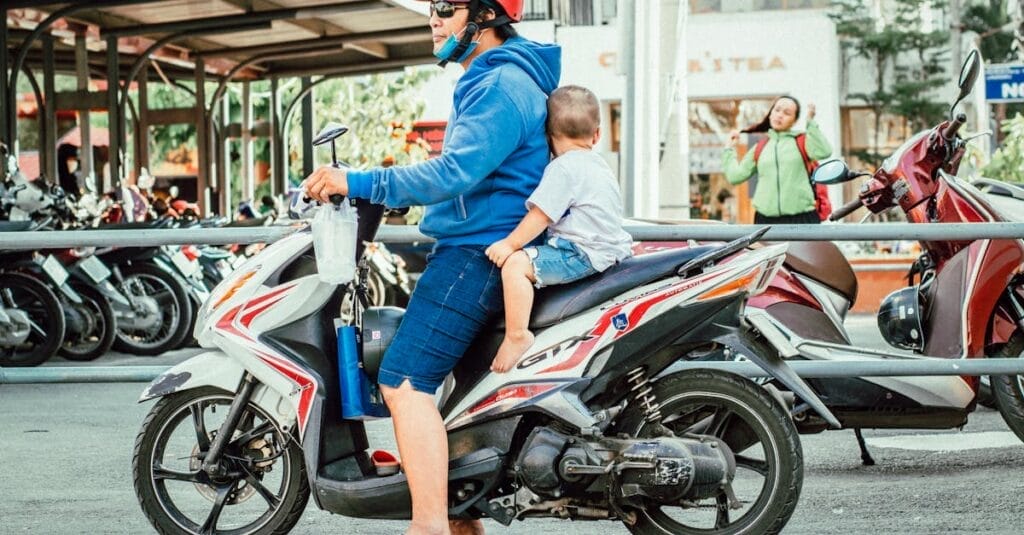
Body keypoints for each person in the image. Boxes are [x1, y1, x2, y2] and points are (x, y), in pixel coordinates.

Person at [302, 1, 559, 533]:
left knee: (403, 382)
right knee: (452, 391)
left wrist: (359, 182)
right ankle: (462, 520)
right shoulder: (496, 77)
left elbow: (454, 172)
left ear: (485, 15)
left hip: (477, 253)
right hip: (478, 245)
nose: (434, 19)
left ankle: (429, 524)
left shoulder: (499, 84)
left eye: (447, 8)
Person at [484, 85, 632, 372]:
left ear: (547, 138)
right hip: (610, 250)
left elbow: (541, 216)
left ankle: (517, 335)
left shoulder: (564, 168)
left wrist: (509, 245)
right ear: (597, 135)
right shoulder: (597, 164)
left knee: (515, 266)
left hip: (580, 253)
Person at [722, 96, 832, 224]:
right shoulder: (760, 147)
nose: (779, 115)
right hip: (766, 220)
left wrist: (810, 122)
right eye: (777, 110)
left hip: (802, 218)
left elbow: (824, 151)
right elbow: (735, 176)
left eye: (787, 113)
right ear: (770, 115)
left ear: (794, 121)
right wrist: (729, 149)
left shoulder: (802, 141)